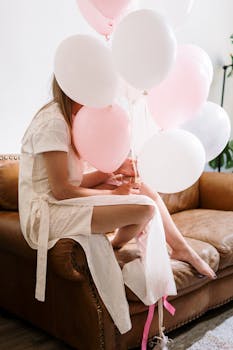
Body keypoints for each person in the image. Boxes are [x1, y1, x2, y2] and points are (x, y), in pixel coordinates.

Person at [18, 76, 216, 334]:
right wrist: (117, 194)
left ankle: (181, 249)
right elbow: (61, 190)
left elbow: (74, 181)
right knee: (146, 208)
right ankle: (126, 244)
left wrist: (107, 175)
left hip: (61, 201)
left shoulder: (76, 118)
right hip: (46, 214)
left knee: (143, 189)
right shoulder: (53, 122)